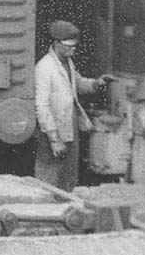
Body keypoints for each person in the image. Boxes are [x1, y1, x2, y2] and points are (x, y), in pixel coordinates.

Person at [34, 19, 109, 191]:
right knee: (48, 180)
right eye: (69, 45)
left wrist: (96, 84)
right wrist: (54, 139)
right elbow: (42, 106)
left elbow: (77, 83)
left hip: (69, 128)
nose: (73, 48)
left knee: (68, 179)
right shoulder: (45, 68)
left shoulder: (67, 62)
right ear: (56, 43)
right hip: (52, 132)